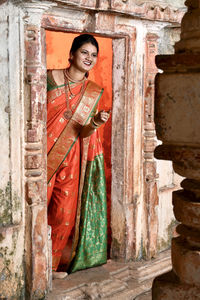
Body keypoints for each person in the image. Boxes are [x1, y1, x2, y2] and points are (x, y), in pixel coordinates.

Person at [47, 34, 110, 279]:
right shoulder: (48, 78)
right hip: (43, 155)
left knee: (63, 215)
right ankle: (32, 262)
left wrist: (95, 122)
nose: (89, 58)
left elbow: (82, 131)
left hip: (73, 155)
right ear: (71, 54)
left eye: (93, 55)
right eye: (84, 53)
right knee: (37, 206)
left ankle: (50, 267)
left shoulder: (92, 91)